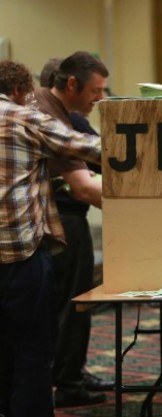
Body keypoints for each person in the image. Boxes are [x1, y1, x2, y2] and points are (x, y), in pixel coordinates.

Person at [0, 59, 102, 417]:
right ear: (16, 91)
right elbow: (88, 148)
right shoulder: (21, 117)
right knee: (31, 347)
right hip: (19, 250)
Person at [34, 52, 113, 408]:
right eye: (96, 91)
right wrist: (143, 208)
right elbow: (82, 187)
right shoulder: (51, 117)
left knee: (67, 303)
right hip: (61, 221)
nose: (101, 98)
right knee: (74, 304)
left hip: (57, 219)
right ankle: (68, 382)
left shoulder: (57, 110)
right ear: (71, 84)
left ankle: (71, 373)